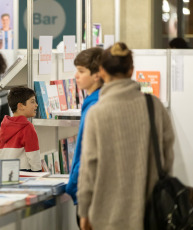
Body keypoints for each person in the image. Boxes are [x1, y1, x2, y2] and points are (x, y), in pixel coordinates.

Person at [77, 42, 175, 230]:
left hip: (106, 216)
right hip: (151, 213)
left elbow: (89, 168)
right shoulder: (154, 106)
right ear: (131, 70)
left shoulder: (97, 113)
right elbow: (167, 157)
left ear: (102, 72)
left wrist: (84, 210)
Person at [66, 47, 103, 209]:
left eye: (81, 71)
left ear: (97, 75)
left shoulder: (95, 106)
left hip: (90, 195)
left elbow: (87, 152)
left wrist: (73, 187)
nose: (76, 76)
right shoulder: (95, 101)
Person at [0, 86, 41, 172]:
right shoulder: (27, 127)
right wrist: (38, 173)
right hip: (25, 175)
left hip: (4, 173)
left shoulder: (3, 127)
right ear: (20, 106)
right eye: (32, 102)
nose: (36, 105)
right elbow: (34, 157)